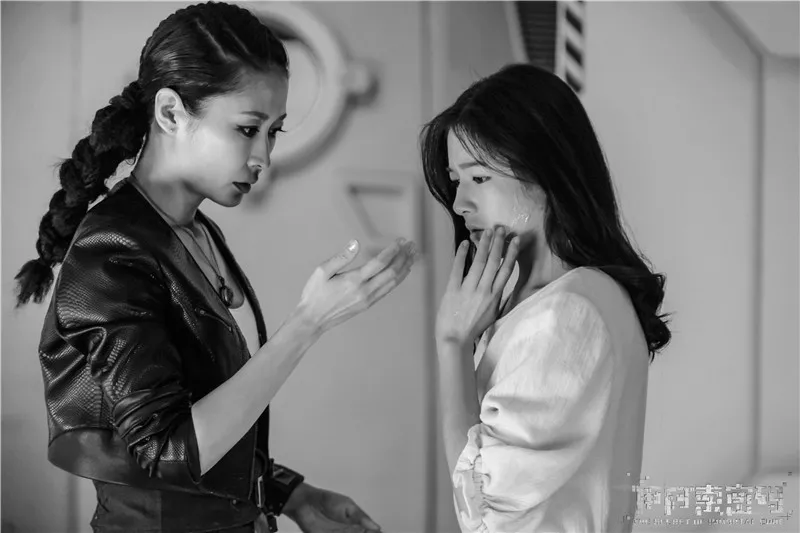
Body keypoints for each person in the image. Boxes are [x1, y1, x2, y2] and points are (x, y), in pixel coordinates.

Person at [14, 2, 417, 532]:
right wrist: (307, 323)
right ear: (170, 113)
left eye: (274, 132)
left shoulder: (198, 232)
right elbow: (167, 452)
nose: (263, 157)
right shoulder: (110, 252)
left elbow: (205, 410)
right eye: (248, 129)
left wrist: (291, 494)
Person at [420, 63, 672, 533]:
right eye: (456, 181)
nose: (459, 204)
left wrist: (452, 345)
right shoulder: (546, 301)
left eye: (479, 179)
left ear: (546, 171)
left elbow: (483, 513)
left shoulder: (565, 313)